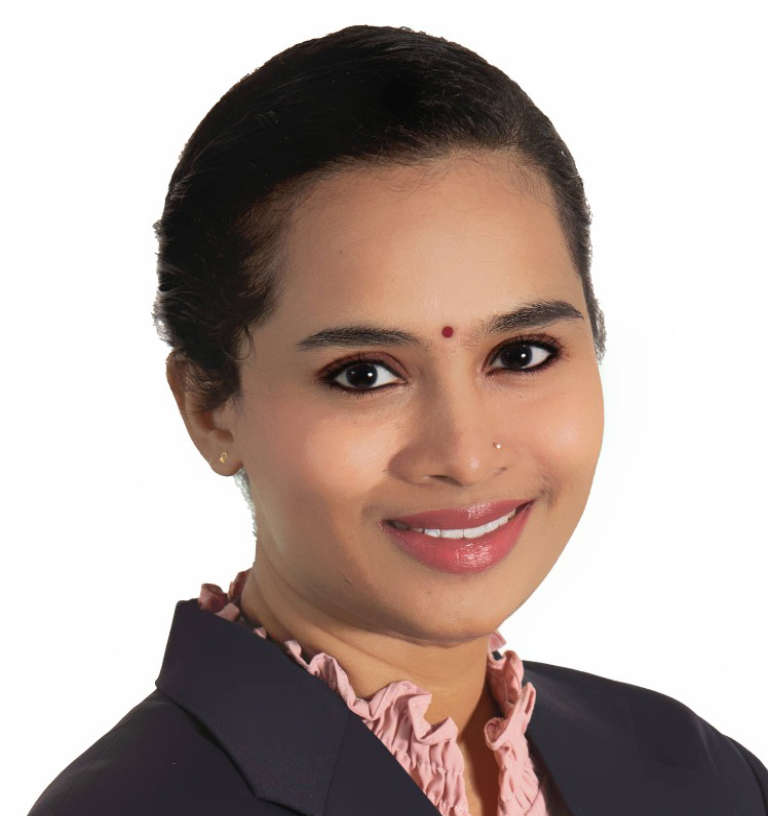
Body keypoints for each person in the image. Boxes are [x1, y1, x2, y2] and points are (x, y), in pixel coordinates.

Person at [28, 23, 767, 816]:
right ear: (209, 407)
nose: (466, 455)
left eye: (521, 354)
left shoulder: (698, 777)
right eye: (364, 374)